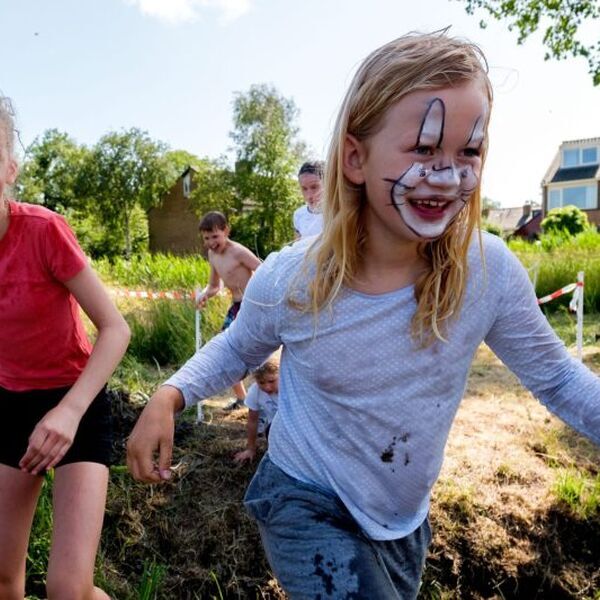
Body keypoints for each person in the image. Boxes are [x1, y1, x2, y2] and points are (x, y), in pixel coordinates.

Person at [127, 31, 600, 599]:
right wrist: (169, 396)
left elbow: (557, 377)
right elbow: (238, 347)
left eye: (468, 152)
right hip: (303, 498)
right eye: (423, 150)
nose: (447, 175)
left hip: (402, 524)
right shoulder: (295, 276)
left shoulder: (487, 272)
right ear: (354, 157)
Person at [0, 96, 130, 600]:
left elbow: (116, 329)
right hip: (10, 406)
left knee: (67, 590)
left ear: (9, 169)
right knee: (4, 580)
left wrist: (69, 411)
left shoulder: (43, 231)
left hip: (76, 400)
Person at [196, 211, 261, 411]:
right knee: (228, 349)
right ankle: (242, 398)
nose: (211, 242)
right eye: (207, 238)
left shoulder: (239, 252)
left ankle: (266, 395)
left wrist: (260, 298)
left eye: (215, 237)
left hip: (253, 305)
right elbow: (215, 285)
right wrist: (205, 295)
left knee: (257, 352)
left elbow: (263, 269)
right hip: (235, 306)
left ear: (226, 231)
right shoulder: (212, 255)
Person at [233, 354, 280, 464]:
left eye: (272, 381)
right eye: (261, 382)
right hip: (274, 430)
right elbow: (253, 421)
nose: (267, 387)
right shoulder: (255, 392)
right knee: (271, 428)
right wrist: (250, 449)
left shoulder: (290, 386)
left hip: (298, 427)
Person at [293, 160, 324, 239]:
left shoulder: (338, 214)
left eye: (314, 187)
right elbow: (297, 247)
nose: (309, 196)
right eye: (304, 189)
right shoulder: (298, 215)